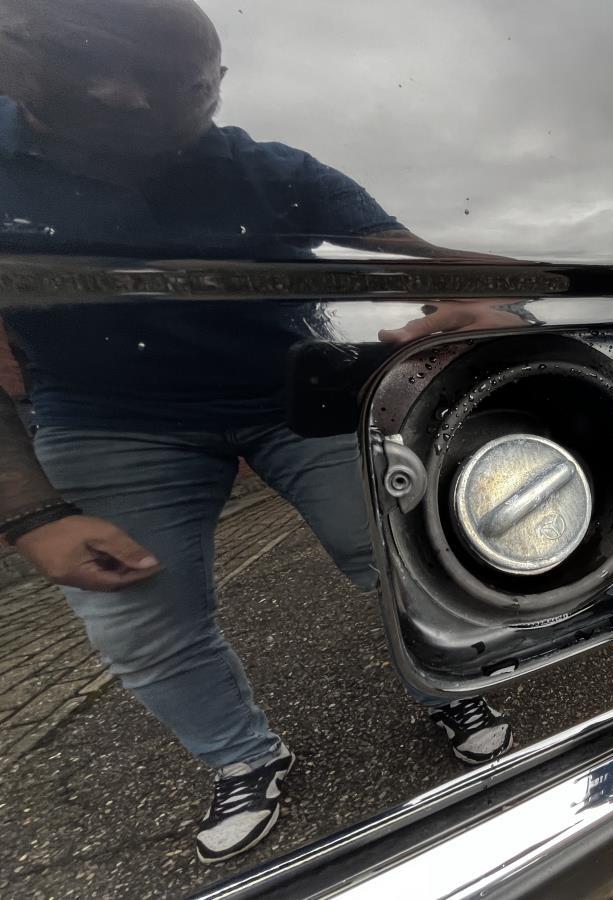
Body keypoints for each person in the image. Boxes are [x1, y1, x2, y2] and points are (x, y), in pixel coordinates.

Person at [0, 0, 514, 865]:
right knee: (136, 617)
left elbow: (422, 260)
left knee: (409, 553)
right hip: (105, 416)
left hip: (294, 394)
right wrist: (30, 514)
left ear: (218, 82)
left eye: (171, 85)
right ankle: (242, 757)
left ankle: (449, 678)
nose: (126, 98)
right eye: (87, 78)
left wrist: (488, 301)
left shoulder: (274, 171)